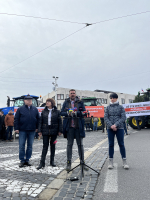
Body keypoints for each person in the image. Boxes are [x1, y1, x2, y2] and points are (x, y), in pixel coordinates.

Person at [61, 89, 88, 171]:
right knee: (69, 145)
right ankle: (68, 163)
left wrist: (76, 113)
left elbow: (84, 112)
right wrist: (68, 113)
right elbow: (61, 113)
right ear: (69, 94)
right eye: (71, 93)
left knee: (80, 145)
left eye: (73, 93)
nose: (72, 94)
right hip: (69, 127)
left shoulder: (80, 102)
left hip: (78, 126)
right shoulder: (65, 102)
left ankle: (82, 162)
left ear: (75, 94)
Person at [104, 93, 129, 170]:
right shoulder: (107, 108)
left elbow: (123, 117)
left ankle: (124, 162)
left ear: (116, 98)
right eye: (111, 98)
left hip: (120, 128)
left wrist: (116, 125)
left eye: (113, 98)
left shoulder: (121, 107)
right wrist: (111, 125)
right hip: (110, 128)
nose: (112, 99)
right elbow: (105, 117)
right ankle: (110, 162)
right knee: (111, 144)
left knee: (121, 144)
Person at [14, 95, 40, 168]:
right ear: (24, 101)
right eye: (28, 100)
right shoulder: (20, 109)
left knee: (30, 146)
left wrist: (37, 128)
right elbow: (16, 119)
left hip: (32, 130)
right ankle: (22, 160)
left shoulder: (35, 109)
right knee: (21, 146)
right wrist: (16, 128)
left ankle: (27, 160)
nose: (29, 101)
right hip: (22, 130)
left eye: (30, 100)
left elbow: (38, 119)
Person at [37, 98, 62, 169]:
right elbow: (40, 121)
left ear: (52, 103)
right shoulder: (43, 111)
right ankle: (42, 163)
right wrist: (39, 131)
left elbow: (60, 121)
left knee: (53, 146)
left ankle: (52, 161)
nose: (47, 103)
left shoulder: (57, 111)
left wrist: (60, 130)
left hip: (54, 130)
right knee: (45, 146)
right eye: (46, 101)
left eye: (48, 102)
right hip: (45, 130)